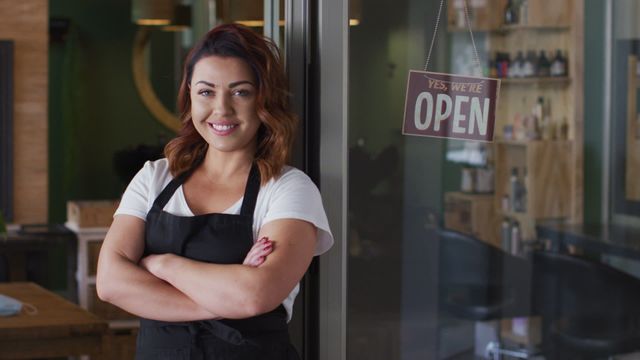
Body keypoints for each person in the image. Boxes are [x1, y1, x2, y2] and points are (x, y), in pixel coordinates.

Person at [96, 23, 333, 359]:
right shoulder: (154, 177)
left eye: (240, 92)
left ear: (263, 99)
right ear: (189, 96)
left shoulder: (288, 189)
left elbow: (254, 296)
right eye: (207, 92)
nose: (222, 109)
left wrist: (163, 266)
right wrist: (224, 300)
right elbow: (110, 283)